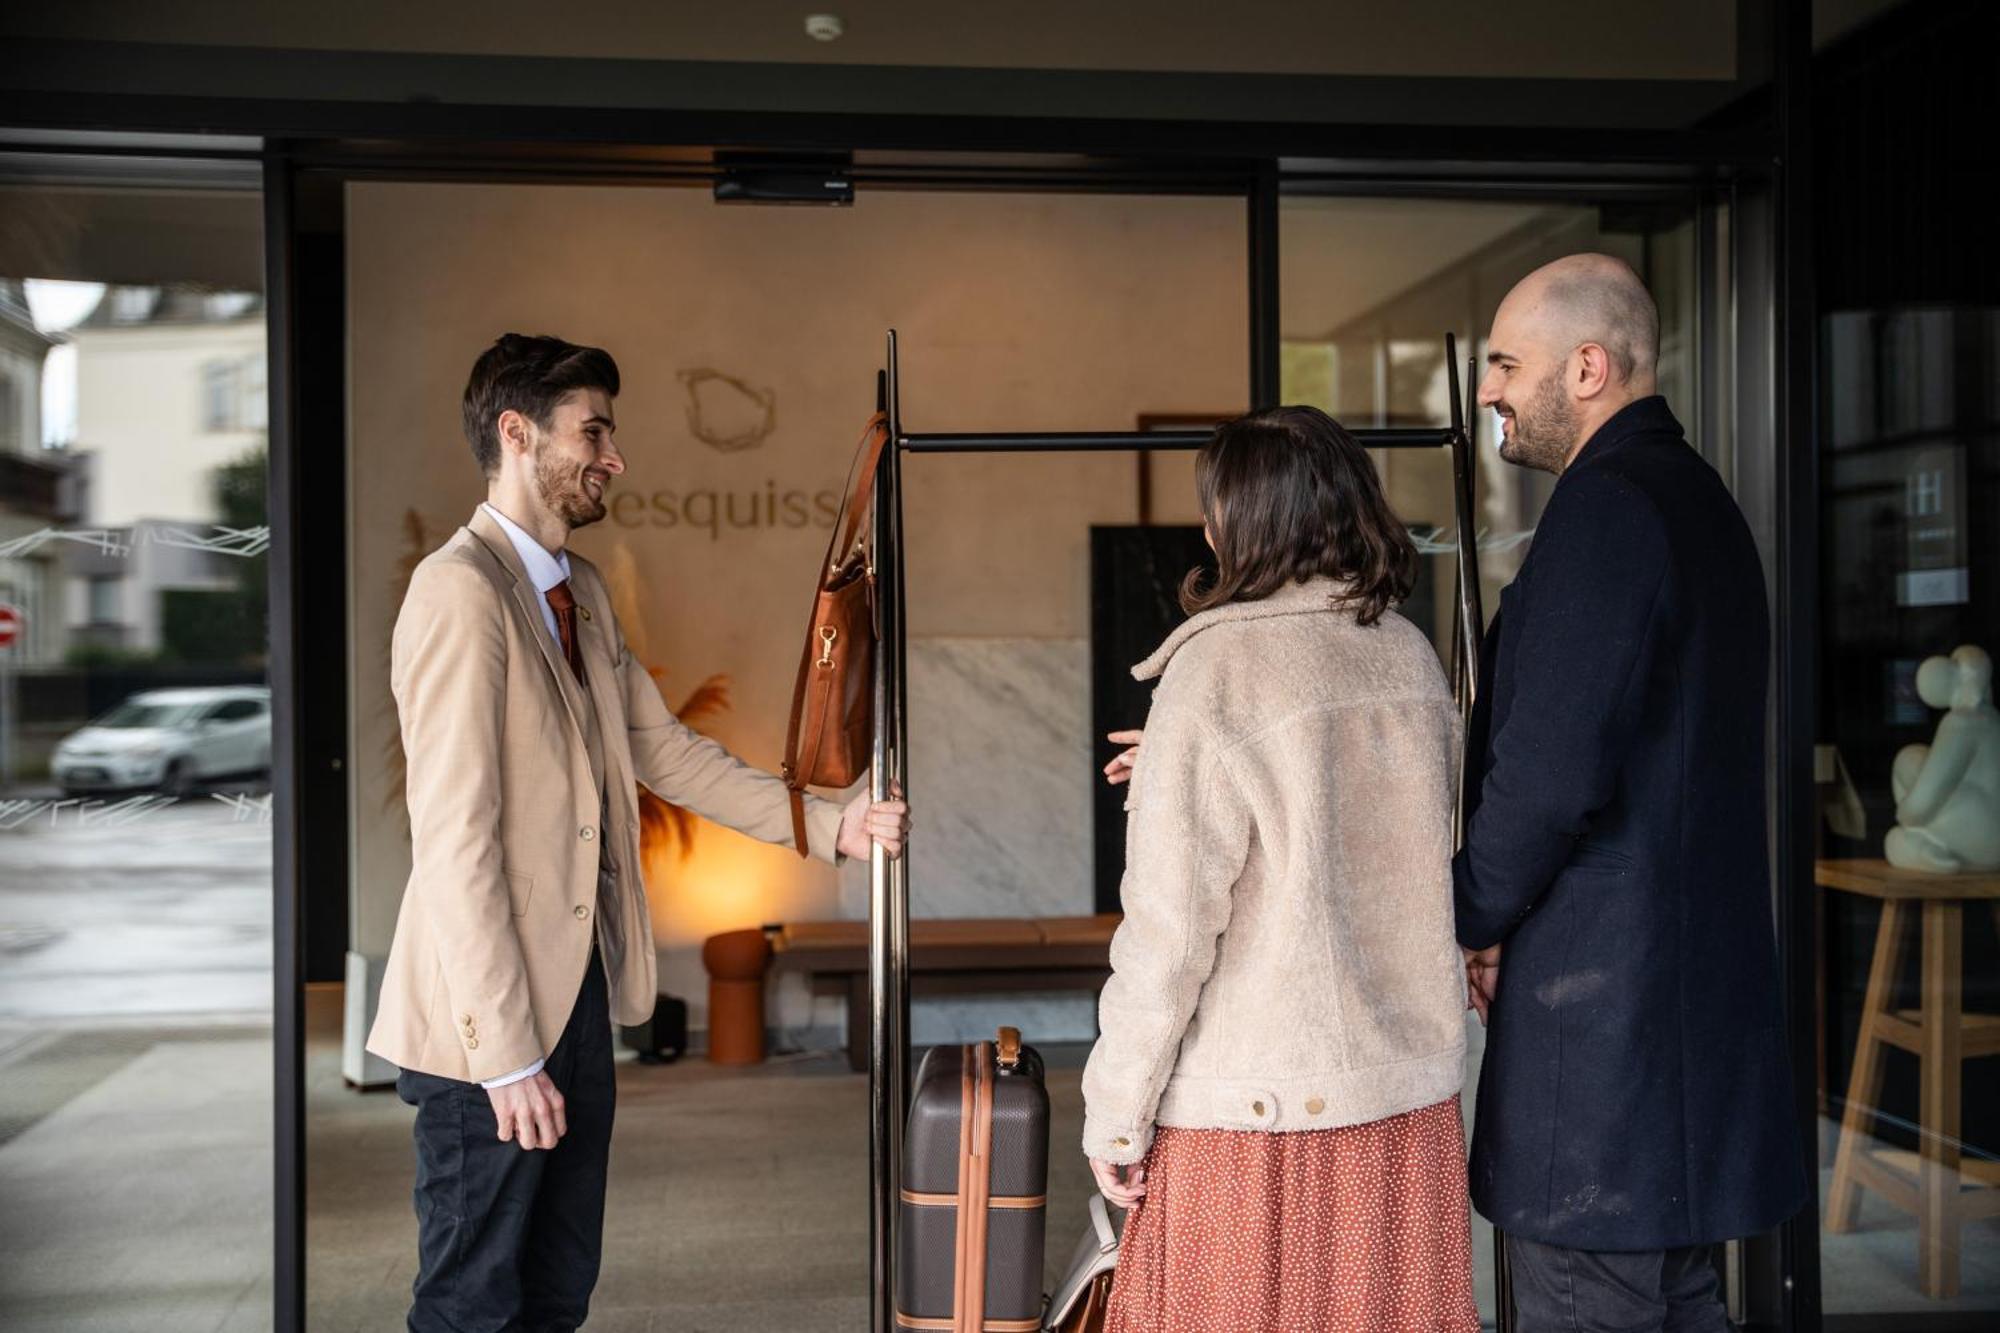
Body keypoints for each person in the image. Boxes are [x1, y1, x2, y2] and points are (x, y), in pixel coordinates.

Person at [366, 333, 910, 1332]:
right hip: (484, 1025)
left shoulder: (579, 593)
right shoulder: (460, 591)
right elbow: (455, 842)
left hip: (573, 994)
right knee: (472, 1302)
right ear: (516, 433)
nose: (613, 457)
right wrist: (504, 1058)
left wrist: (830, 828)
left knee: (558, 1286)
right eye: (595, 431)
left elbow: (667, 755)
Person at [1454, 255, 1807, 1330]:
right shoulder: (1696, 504)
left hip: (1605, 1039)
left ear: (1589, 367)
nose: (1487, 392)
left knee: (1593, 1304)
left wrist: (1467, 910)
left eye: (1507, 363)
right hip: (1679, 1032)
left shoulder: (1606, 511)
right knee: (1677, 1301)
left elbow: (1550, 772)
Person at [1082, 406, 1479, 1333]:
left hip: (1254, 1117)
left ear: (1243, 520)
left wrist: (1115, 1111)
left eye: (1214, 506)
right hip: (1403, 1112)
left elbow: (1170, 934)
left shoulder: (1218, 668)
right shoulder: (1407, 652)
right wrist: (1184, 756)